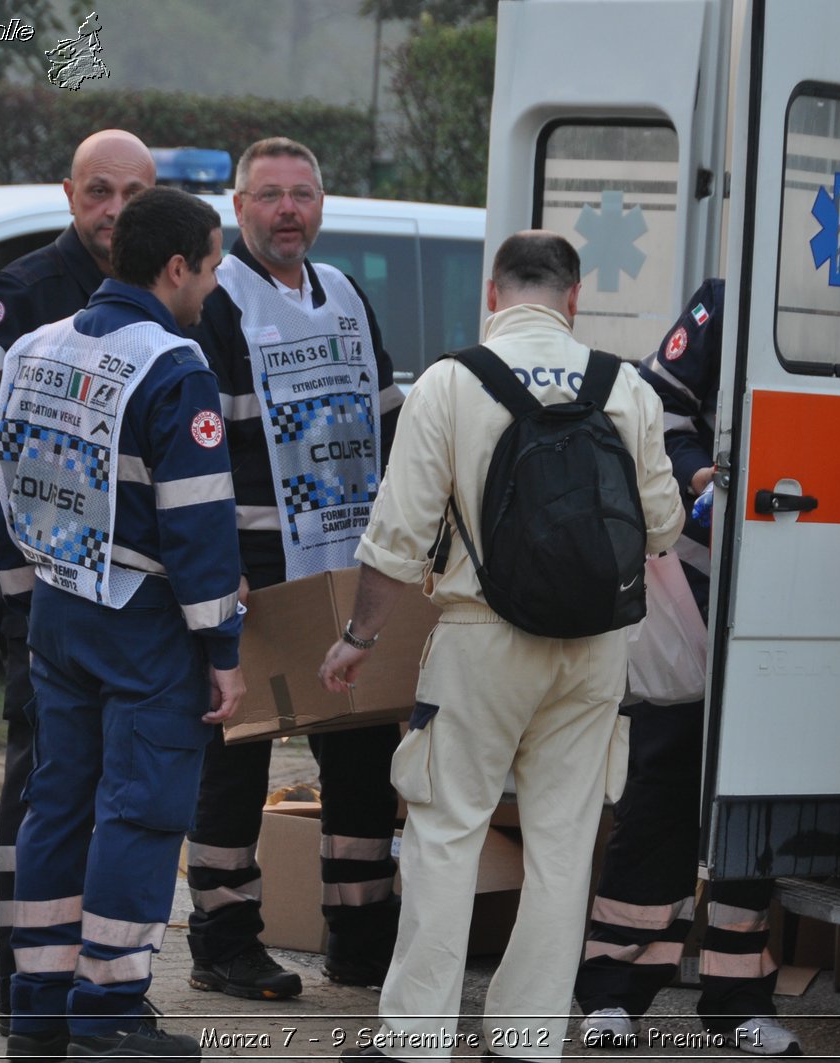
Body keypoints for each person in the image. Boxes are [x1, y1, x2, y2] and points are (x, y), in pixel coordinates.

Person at [319, 231, 685, 1061]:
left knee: (447, 834)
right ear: (574, 296)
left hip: (481, 641)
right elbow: (661, 526)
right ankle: (524, 1041)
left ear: (494, 293)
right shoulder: (625, 387)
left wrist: (357, 638)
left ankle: (414, 1042)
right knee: (561, 843)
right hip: (594, 649)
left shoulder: (450, 383)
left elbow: (398, 536)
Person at [0, 129, 157, 1032]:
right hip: (40, 585)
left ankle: (78, 976)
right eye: (98, 190)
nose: (114, 210)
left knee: (106, 786)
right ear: (67, 193)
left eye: (132, 192)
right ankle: (25, 982)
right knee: (47, 778)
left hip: (123, 594)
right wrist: (29, 445)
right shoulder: (34, 288)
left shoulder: (158, 288)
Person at [0, 186, 242, 1062]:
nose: (212, 287)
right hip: (144, 623)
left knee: (55, 803)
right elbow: (199, 521)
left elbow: (6, 485)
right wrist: (225, 648)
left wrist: (27, 600)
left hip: (58, 606)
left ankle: (39, 1008)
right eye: (210, 268)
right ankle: (110, 1013)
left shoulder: (32, 348)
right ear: (176, 267)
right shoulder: (175, 366)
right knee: (139, 812)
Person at [180, 137, 404, 999]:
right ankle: (223, 942)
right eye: (268, 195)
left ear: (322, 204)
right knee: (234, 761)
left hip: (348, 571)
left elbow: (387, 422)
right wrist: (222, 567)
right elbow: (202, 457)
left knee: (361, 759)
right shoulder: (219, 303)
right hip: (257, 577)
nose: (287, 211)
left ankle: (361, 940)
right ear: (238, 208)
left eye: (302, 194)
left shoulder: (345, 293)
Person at [574, 278, 803, 1056]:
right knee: (664, 778)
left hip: (807, 592)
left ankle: (739, 998)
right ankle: (613, 991)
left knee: (762, 798)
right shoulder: (733, 297)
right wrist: (699, 472)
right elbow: (652, 404)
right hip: (702, 583)